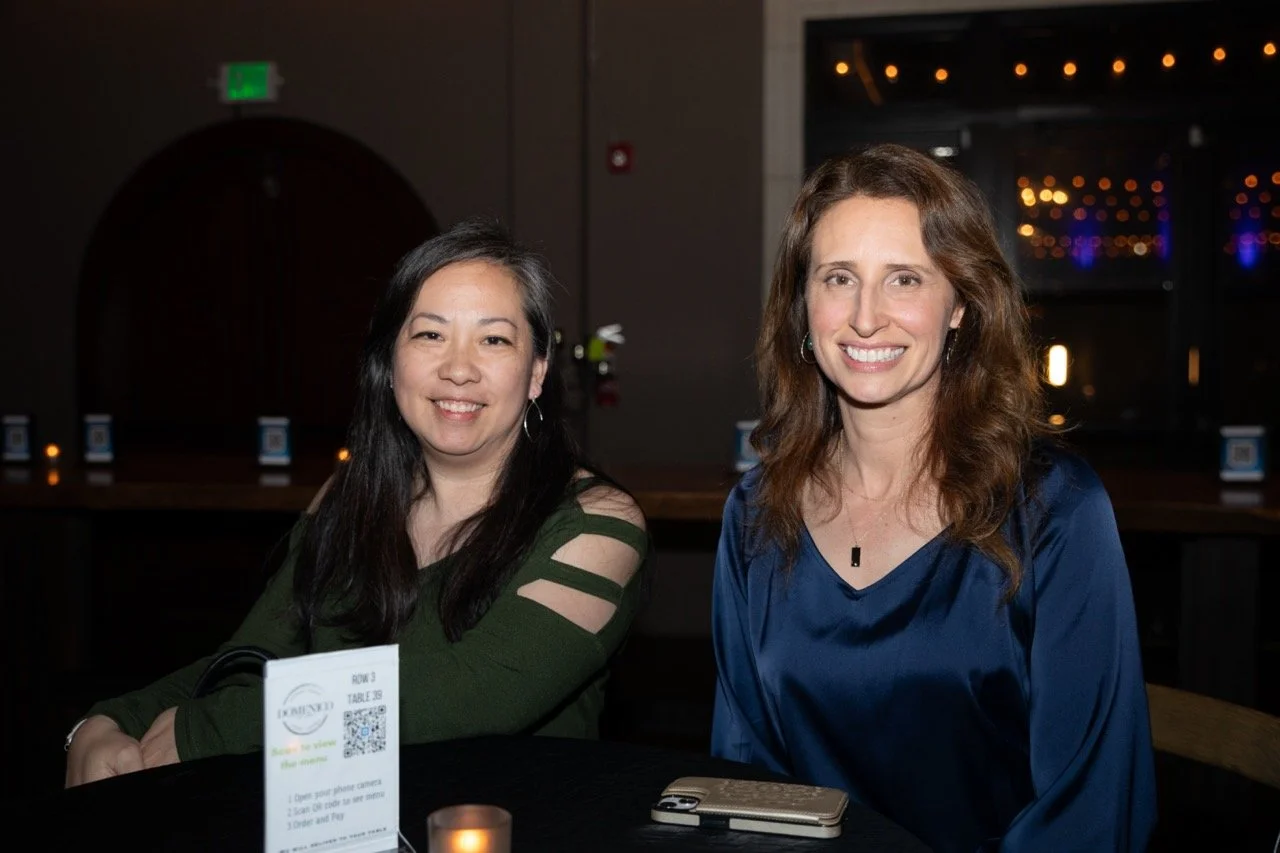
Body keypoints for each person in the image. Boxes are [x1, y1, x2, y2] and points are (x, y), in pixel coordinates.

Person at [66, 220, 649, 786]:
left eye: (494, 339)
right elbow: (254, 657)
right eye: (429, 334)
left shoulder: (598, 524)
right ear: (390, 362)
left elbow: (467, 695)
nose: (458, 369)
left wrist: (216, 730)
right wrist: (112, 719)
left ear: (536, 371)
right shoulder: (348, 498)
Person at [710, 144, 1156, 851]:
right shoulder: (758, 514)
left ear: (960, 306)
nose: (865, 317)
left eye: (905, 279)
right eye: (838, 278)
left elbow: (1090, 809)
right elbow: (743, 781)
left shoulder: (1056, 511)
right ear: (803, 302)